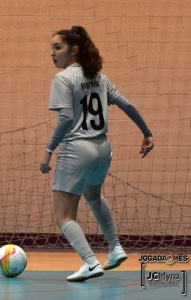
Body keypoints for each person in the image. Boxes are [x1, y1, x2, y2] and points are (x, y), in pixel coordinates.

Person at [40, 25, 154, 282]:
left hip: (77, 148)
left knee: (64, 215)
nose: (52, 53)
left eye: (57, 47)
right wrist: (146, 132)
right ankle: (115, 248)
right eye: (51, 48)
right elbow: (127, 104)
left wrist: (48, 150)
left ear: (74, 50)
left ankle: (90, 262)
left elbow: (66, 119)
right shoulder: (99, 77)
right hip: (103, 149)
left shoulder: (63, 79)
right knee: (92, 195)